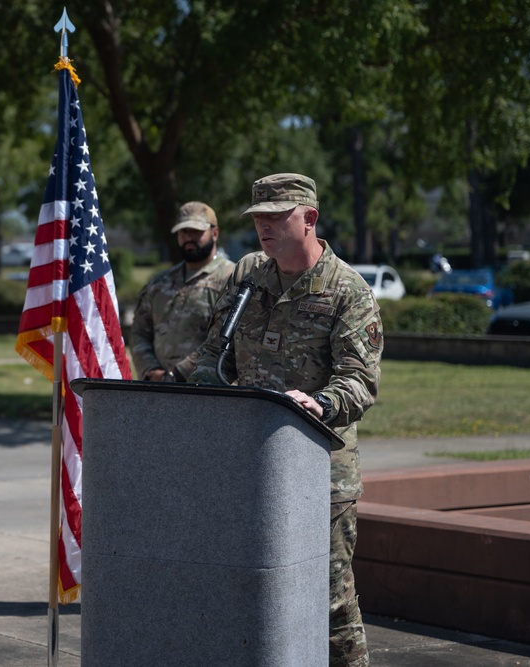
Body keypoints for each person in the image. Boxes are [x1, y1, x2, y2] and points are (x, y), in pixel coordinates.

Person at [188, 173, 381, 666]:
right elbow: (214, 358)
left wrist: (319, 403)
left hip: (320, 473)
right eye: (258, 220)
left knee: (330, 601)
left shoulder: (347, 291)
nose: (264, 229)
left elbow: (359, 382)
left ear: (310, 218)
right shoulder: (249, 275)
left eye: (277, 218)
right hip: (248, 466)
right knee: (249, 590)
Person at [129, 201, 235, 382]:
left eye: (196, 231)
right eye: (183, 232)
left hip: (208, 391)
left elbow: (226, 340)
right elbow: (140, 332)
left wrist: (178, 374)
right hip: (158, 391)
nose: (188, 238)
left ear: (214, 233)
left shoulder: (232, 279)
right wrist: (150, 370)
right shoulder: (159, 282)